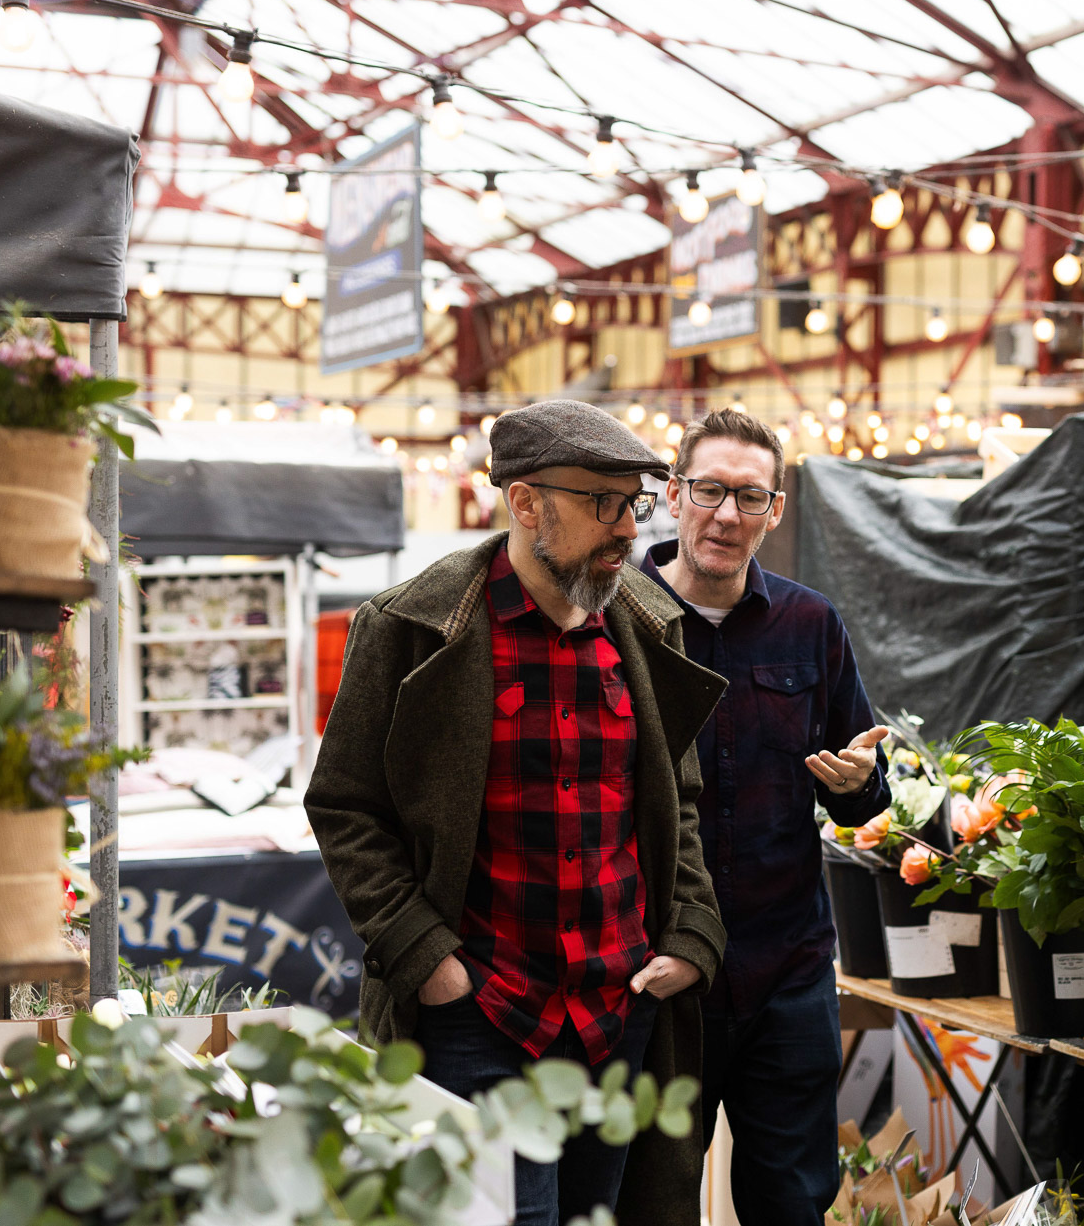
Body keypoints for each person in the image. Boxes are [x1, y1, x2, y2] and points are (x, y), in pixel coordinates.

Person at [305, 400, 728, 1226]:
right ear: (525, 502)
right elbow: (345, 806)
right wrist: (428, 958)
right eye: (602, 501)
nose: (627, 527)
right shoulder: (414, 629)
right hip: (482, 1016)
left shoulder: (646, 629)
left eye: (635, 502)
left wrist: (690, 936)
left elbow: (679, 804)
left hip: (619, 1010)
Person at [642, 408, 889, 1226]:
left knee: (792, 1199)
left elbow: (864, 789)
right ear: (673, 496)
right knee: (652, 1199)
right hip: (659, 970)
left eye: (750, 496)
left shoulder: (809, 625)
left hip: (786, 970)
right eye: (709, 490)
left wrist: (857, 783)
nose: (726, 515)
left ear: (775, 510)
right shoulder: (619, 623)